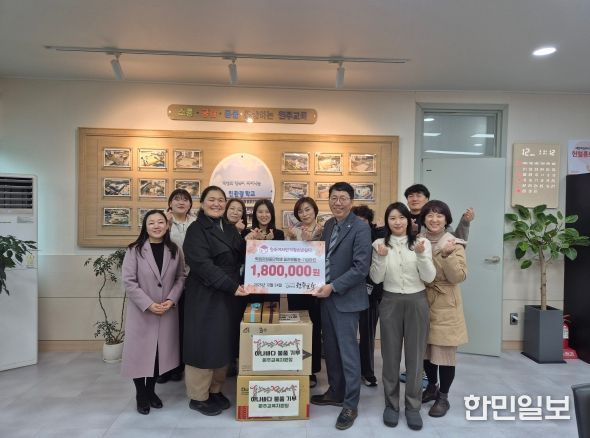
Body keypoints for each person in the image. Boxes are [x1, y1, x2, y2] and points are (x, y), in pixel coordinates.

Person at [182, 186, 249, 416]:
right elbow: (202, 265)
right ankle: (198, 397)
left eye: (221, 200)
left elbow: (240, 255)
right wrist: (232, 286)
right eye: (212, 200)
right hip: (206, 293)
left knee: (223, 342)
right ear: (202, 203)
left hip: (228, 294)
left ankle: (215, 389)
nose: (217, 204)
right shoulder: (196, 229)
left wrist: (255, 244)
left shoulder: (228, 227)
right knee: (203, 343)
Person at [310, 182, 372, 431]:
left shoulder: (360, 227)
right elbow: (323, 257)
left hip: (345, 297)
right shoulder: (328, 225)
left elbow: (360, 268)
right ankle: (336, 391)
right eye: (334, 198)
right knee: (332, 349)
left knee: (348, 353)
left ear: (351, 201)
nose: (338, 202)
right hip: (326, 298)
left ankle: (350, 404)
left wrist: (333, 286)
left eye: (343, 198)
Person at [370, 202, 436, 430]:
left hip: (417, 301)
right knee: (390, 357)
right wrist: (380, 258)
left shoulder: (422, 243)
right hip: (390, 301)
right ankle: (391, 405)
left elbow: (429, 277)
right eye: (392, 218)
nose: (397, 222)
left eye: (401, 217)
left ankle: (413, 407)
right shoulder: (379, 244)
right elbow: (376, 279)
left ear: (409, 220)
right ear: (387, 222)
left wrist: (421, 255)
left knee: (415, 357)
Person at [121, 209, 186, 415]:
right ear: (145, 227)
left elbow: (181, 277)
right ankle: (141, 394)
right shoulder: (134, 250)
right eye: (151, 222)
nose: (156, 226)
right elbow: (129, 282)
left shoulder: (174, 250)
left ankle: (151, 390)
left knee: (160, 354)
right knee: (139, 354)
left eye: (160, 222)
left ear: (167, 226)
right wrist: (148, 304)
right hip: (143, 312)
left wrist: (171, 299)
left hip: (167, 311)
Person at [419, 200, 468, 418]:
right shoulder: (418, 241)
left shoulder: (454, 243)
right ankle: (431, 387)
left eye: (439, 215)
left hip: (446, 303)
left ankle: (444, 397)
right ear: (424, 219)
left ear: (446, 219)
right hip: (422, 300)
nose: (434, 219)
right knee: (426, 352)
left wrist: (447, 256)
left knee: (445, 354)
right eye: (430, 215)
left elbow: (459, 277)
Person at [157, 188, 196, 384]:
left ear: (190, 204)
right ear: (170, 203)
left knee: (185, 324)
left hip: (193, 279)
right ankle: (165, 367)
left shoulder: (196, 223)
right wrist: (167, 225)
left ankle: (180, 365)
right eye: (177, 199)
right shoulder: (162, 221)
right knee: (167, 326)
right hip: (168, 280)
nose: (181, 202)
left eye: (185, 199)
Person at [286, 196, 323, 388]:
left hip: (316, 287)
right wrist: (292, 239)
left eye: (307, 209)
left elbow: (325, 256)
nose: (304, 214)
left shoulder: (324, 229)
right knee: (298, 328)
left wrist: (313, 241)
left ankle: (312, 370)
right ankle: (298, 366)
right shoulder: (293, 231)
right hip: (295, 286)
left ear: (315, 210)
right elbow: (286, 257)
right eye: (300, 211)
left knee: (314, 329)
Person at [351, 204, 384, 388]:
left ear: (370, 223)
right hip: (349, 292)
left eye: (364, 221)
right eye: (357, 220)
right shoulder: (349, 235)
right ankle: (351, 371)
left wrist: (380, 231)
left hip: (371, 294)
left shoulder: (377, 235)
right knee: (348, 334)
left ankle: (368, 372)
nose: (360, 224)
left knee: (367, 335)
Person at [403, 183, 474, 238]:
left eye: (418, 196)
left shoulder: (437, 220)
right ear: (407, 200)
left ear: (427, 199)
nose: (414, 199)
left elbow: (456, 241)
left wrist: (465, 222)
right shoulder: (401, 219)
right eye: (411, 196)